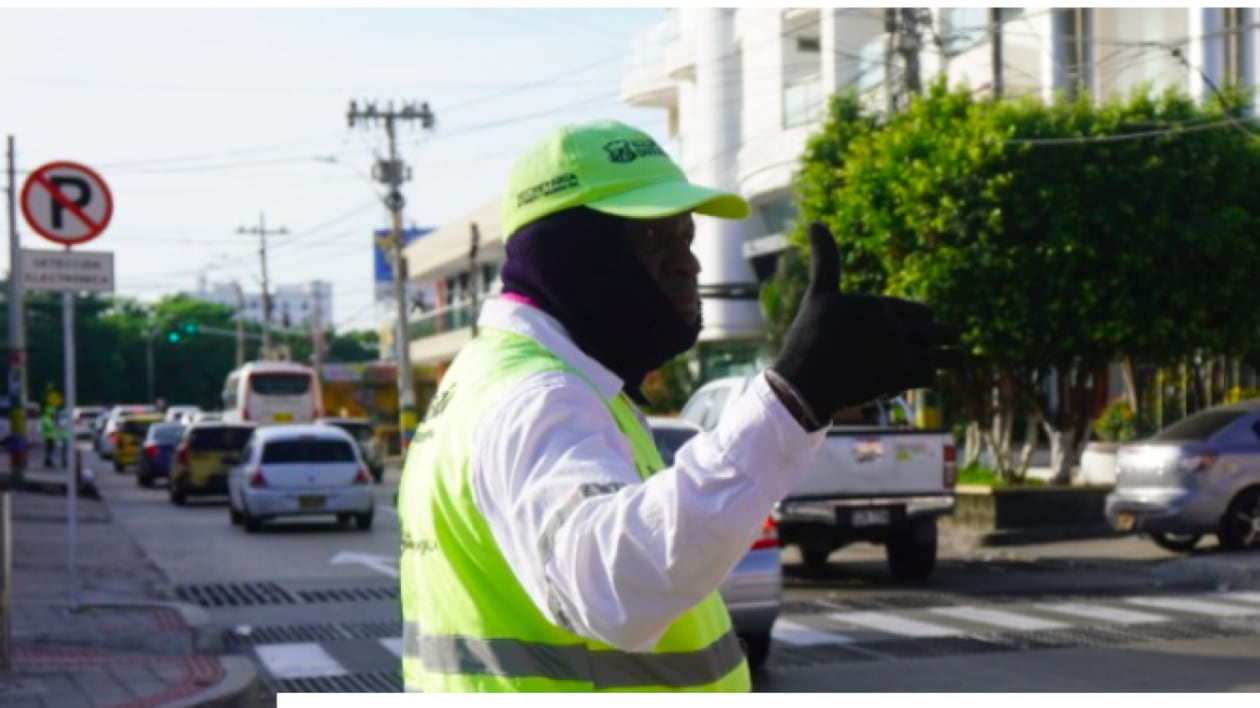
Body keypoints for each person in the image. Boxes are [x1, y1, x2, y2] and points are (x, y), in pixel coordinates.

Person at [396, 119, 960, 692]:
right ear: (566, 255)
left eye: (685, 238)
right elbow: (614, 588)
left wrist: (807, 402)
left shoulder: (515, 381)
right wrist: (792, 399)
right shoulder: (536, 397)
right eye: (652, 241)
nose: (688, 264)